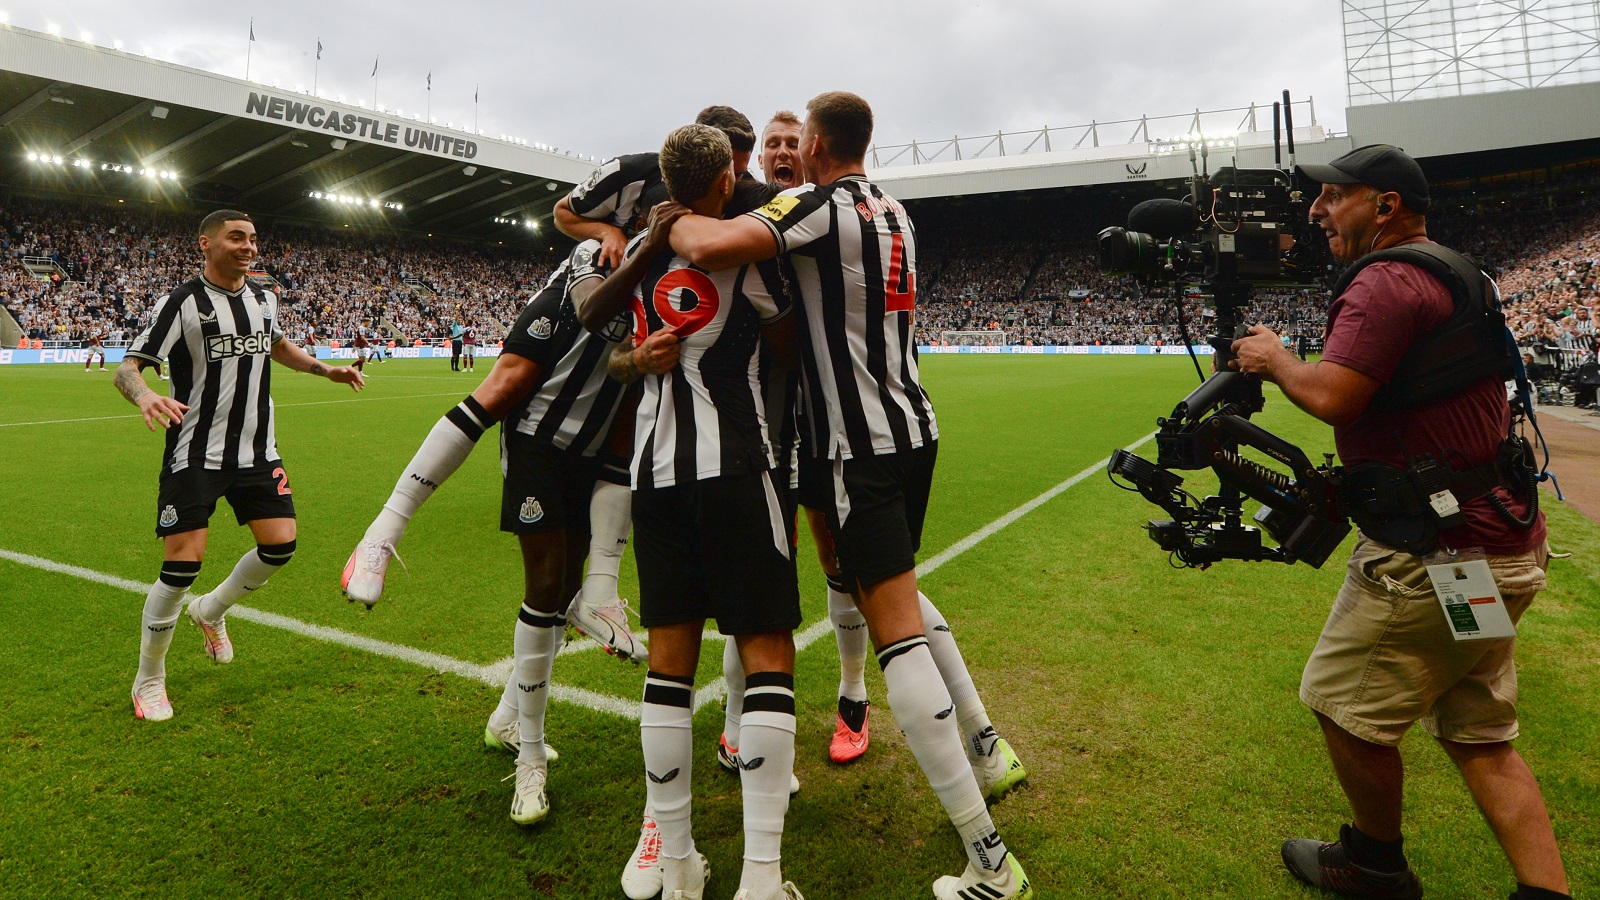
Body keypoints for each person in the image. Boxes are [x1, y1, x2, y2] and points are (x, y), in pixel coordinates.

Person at [665, 92, 1031, 900]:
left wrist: (665, 212)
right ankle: (982, 746)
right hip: (912, 432)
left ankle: (991, 863)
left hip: (849, 445)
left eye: (797, 139)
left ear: (819, 144)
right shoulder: (896, 211)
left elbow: (714, 242)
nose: (784, 152)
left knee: (890, 621)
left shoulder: (818, 207)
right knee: (884, 593)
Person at [1229, 144, 1569, 900]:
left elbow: (1335, 397)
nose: (1316, 210)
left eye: (1332, 196)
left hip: (1438, 556)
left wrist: (1276, 358)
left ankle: (1376, 865)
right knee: (1482, 733)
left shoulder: (1384, 280)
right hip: (1495, 545)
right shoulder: (1457, 269)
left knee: (1344, 710)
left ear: (1383, 206)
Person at [342, 237, 643, 826]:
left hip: (593, 449)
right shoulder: (611, 243)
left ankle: (508, 719)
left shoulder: (683, 273)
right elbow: (584, 282)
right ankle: (530, 759)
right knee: (547, 584)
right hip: (536, 433)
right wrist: (639, 236)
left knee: (561, 595)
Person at [600, 123, 804, 900]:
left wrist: (641, 358)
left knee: (668, 665)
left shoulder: (645, 259)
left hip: (655, 478)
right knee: (767, 655)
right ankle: (760, 875)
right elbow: (788, 350)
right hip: (739, 470)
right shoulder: (739, 253)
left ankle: (676, 857)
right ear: (726, 180)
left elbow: (608, 338)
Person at [116, 209, 364, 722]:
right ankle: (149, 680)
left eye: (253, 238)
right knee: (182, 565)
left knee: (281, 544)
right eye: (237, 238)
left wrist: (325, 370)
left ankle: (212, 611)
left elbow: (276, 346)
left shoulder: (264, 295)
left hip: (257, 450)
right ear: (206, 244)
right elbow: (129, 366)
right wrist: (143, 396)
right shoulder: (182, 302)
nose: (249, 246)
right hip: (195, 452)